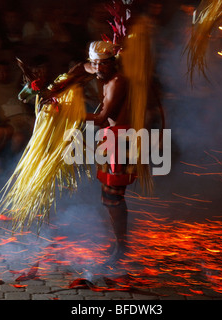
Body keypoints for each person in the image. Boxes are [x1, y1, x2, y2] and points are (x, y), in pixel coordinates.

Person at [70, 41, 137, 262]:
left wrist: (67, 115)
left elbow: (100, 118)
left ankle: (122, 246)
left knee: (113, 198)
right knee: (108, 198)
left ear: (112, 63)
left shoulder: (118, 81)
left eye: (103, 65)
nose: (98, 69)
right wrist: (59, 85)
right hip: (110, 139)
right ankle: (119, 243)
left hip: (121, 140)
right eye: (95, 64)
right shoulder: (100, 70)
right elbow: (82, 67)